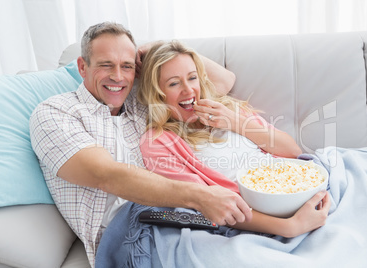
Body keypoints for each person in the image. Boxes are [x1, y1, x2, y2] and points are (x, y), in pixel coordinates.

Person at [29, 22, 252, 267]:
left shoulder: (138, 101)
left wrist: (157, 48)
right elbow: (106, 175)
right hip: (131, 234)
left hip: (180, 217)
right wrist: (201, 196)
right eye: (106, 65)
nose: (118, 76)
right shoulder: (56, 113)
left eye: (126, 66)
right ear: (83, 67)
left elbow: (223, 82)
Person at [137, 40, 331, 237]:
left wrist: (234, 121)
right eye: (174, 83)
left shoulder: (225, 108)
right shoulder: (158, 142)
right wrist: (290, 227)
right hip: (264, 215)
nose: (188, 90)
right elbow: (208, 203)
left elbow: (293, 151)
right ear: (158, 94)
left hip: (303, 187)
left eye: (192, 78)